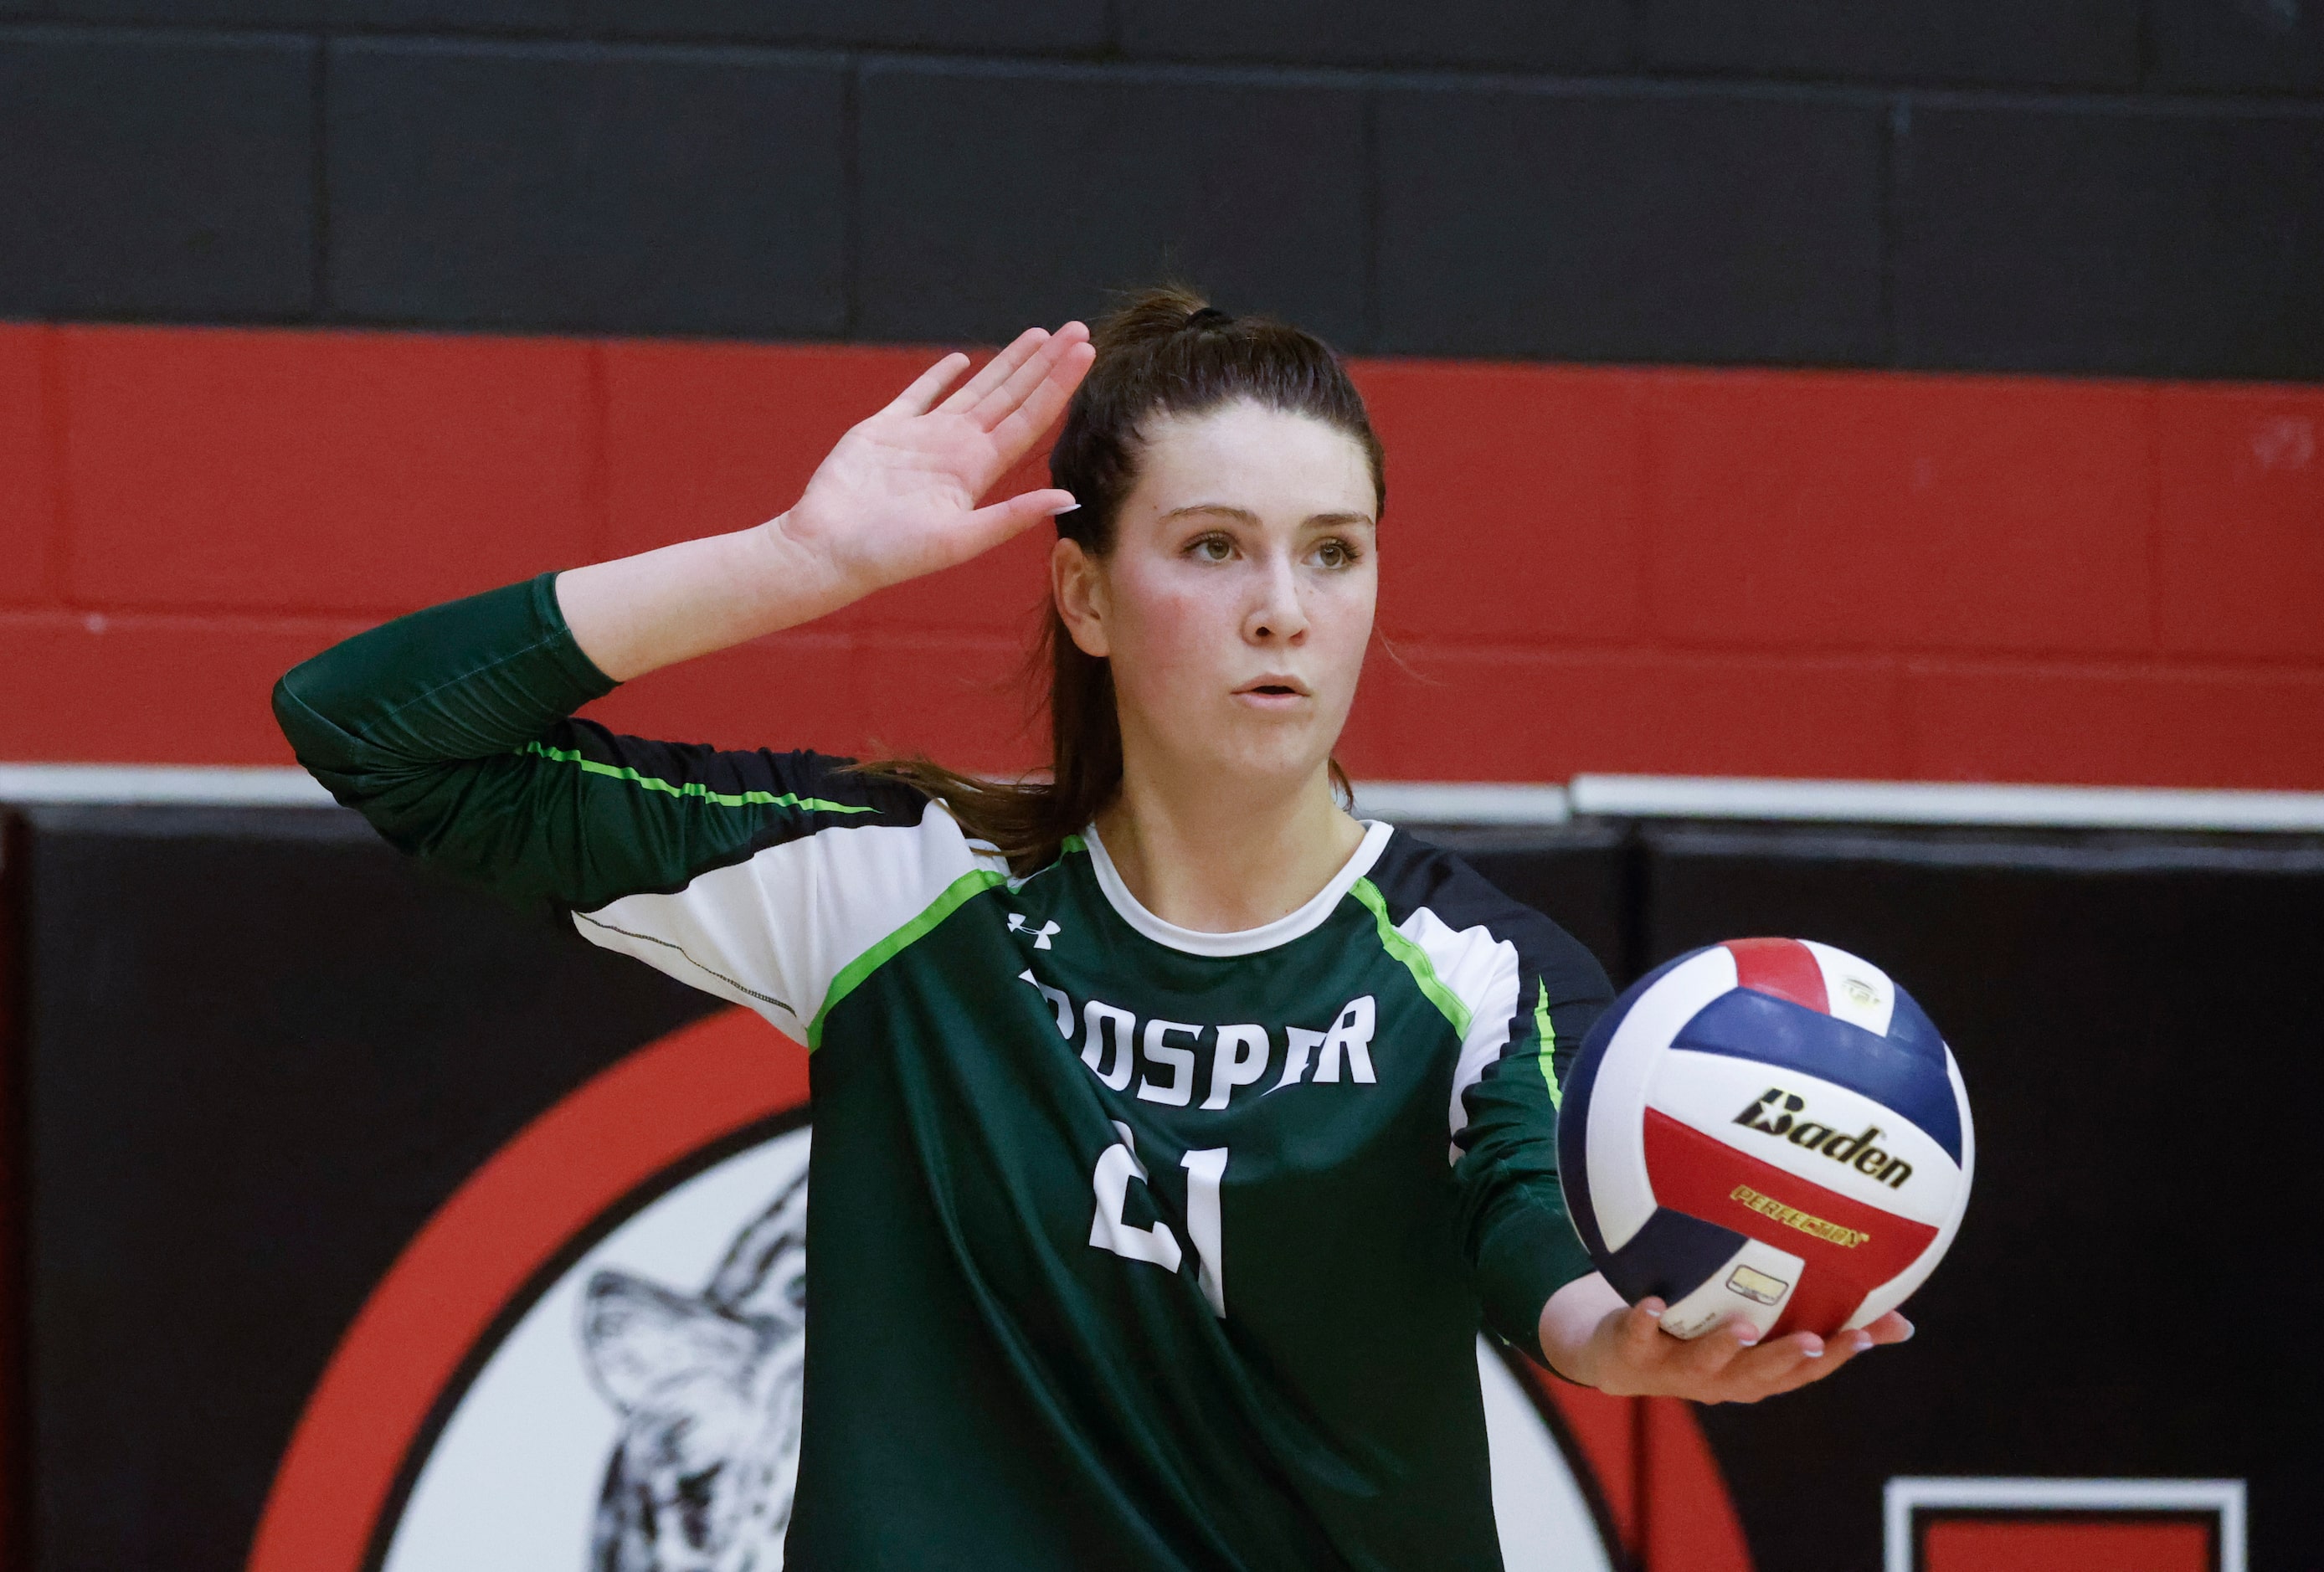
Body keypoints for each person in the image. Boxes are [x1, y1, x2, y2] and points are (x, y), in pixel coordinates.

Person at [275, 290, 1908, 1569]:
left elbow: (1535, 1254)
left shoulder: (1476, 975)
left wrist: (1630, 1350)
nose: (1285, 606)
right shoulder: (899, 893)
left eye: (1331, 555)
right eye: (1214, 548)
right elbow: (372, 728)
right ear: (1085, 597)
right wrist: (796, 563)